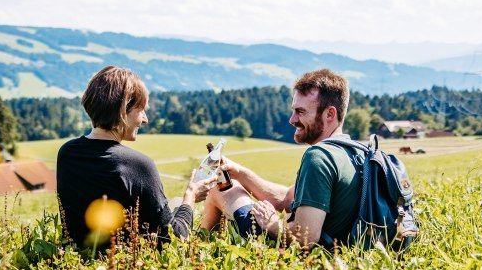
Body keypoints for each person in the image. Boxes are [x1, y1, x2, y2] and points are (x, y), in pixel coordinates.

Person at [57, 66, 216, 249]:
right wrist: (191, 196)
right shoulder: (138, 165)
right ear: (122, 111)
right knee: (179, 203)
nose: (145, 119)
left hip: (78, 259)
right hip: (127, 265)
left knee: (173, 203)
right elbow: (173, 239)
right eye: (141, 110)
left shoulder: (67, 153)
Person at [201, 69, 362, 249]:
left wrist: (271, 224)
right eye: (294, 110)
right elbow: (286, 199)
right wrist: (239, 173)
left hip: (307, 258)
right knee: (229, 184)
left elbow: (305, 238)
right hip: (345, 252)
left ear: (329, 114)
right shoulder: (354, 153)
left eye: (300, 111)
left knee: (219, 188)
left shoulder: (319, 157)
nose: (292, 120)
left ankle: (201, 250)